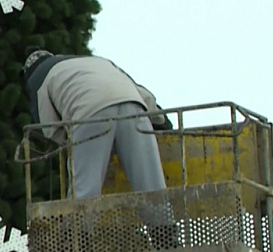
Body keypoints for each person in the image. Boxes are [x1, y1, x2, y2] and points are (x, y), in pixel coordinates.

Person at [22, 48, 171, 200]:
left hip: (89, 113)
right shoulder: (97, 62)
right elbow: (145, 95)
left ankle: (80, 216)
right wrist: (163, 122)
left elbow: (48, 128)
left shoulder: (38, 76)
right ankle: (161, 215)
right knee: (151, 185)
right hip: (133, 107)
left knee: (85, 191)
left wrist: (70, 142)